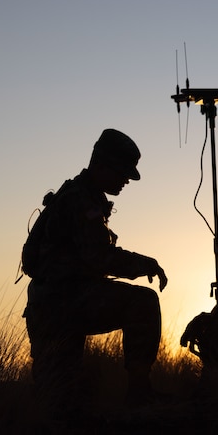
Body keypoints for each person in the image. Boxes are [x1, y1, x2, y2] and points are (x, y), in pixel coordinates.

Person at [21, 128, 168, 408]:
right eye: (122, 171)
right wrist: (146, 264)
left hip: (52, 306)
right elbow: (101, 258)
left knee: (63, 398)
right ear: (101, 165)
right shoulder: (80, 200)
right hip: (62, 305)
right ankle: (140, 393)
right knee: (143, 302)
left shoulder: (79, 195)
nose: (126, 179)